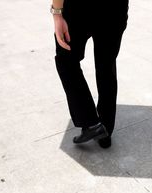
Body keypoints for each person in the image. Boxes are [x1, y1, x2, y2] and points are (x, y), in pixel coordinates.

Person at [51, 0, 129, 148]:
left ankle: (91, 123)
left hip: (79, 9)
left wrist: (57, 13)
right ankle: (105, 131)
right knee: (106, 66)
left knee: (66, 61)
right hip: (115, 9)